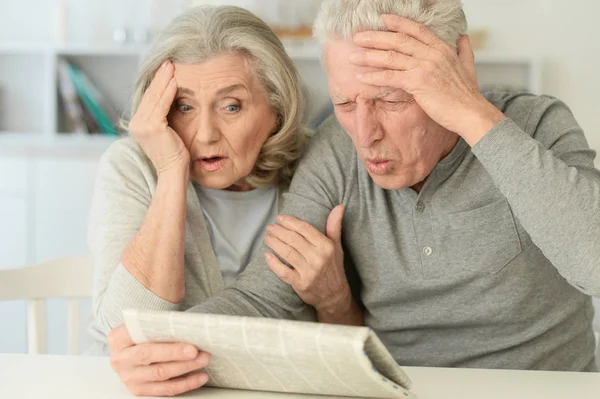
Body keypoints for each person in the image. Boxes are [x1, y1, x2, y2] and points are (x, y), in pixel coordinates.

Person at [109, 0, 600, 395]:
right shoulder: (336, 152)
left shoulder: (535, 126)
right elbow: (265, 295)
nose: (365, 135)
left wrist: (471, 114)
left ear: (456, 75)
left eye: (392, 99)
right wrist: (157, 343)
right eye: (345, 102)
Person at [88, 5, 363, 368]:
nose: (204, 134)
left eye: (231, 107)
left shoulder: (321, 166)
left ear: (277, 108)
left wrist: (333, 299)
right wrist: (171, 172)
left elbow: (353, 356)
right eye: (183, 107)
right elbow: (128, 330)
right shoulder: (132, 166)